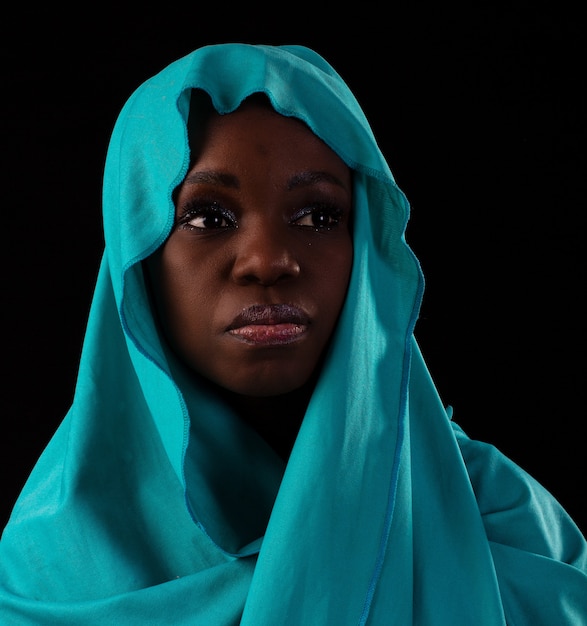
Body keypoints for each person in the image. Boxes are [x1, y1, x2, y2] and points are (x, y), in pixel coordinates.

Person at [0, 43, 585, 625]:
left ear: (368, 250)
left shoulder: (505, 526)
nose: (268, 260)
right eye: (208, 217)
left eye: (318, 216)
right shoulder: (52, 568)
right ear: (137, 261)